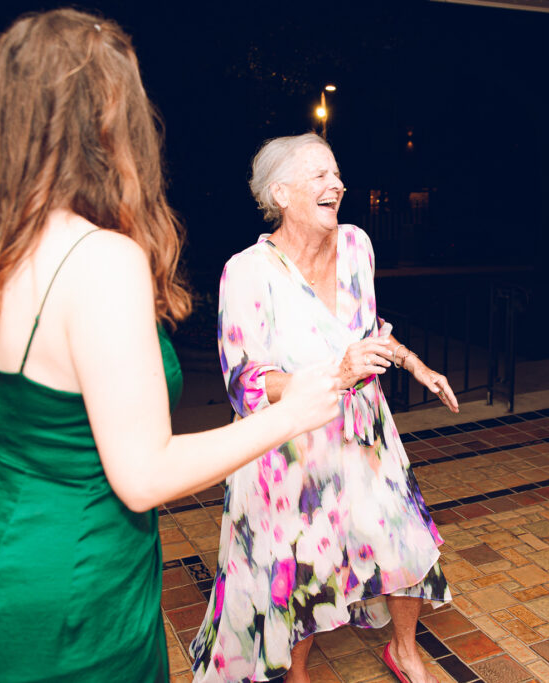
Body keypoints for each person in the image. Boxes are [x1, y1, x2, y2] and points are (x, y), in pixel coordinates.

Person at [0, 11, 340, 682]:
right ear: (105, 123)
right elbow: (143, 474)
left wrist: (12, 390)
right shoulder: (103, 261)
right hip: (75, 602)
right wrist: (289, 414)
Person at [188, 133, 457, 683]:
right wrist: (337, 372)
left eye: (336, 173)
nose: (336, 184)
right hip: (292, 448)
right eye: (319, 175)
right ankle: (297, 673)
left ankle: (404, 650)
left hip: (365, 433)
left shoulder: (357, 244)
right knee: (302, 566)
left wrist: (414, 365)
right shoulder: (247, 271)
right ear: (281, 193)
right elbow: (245, 383)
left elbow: (369, 333)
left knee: (404, 539)